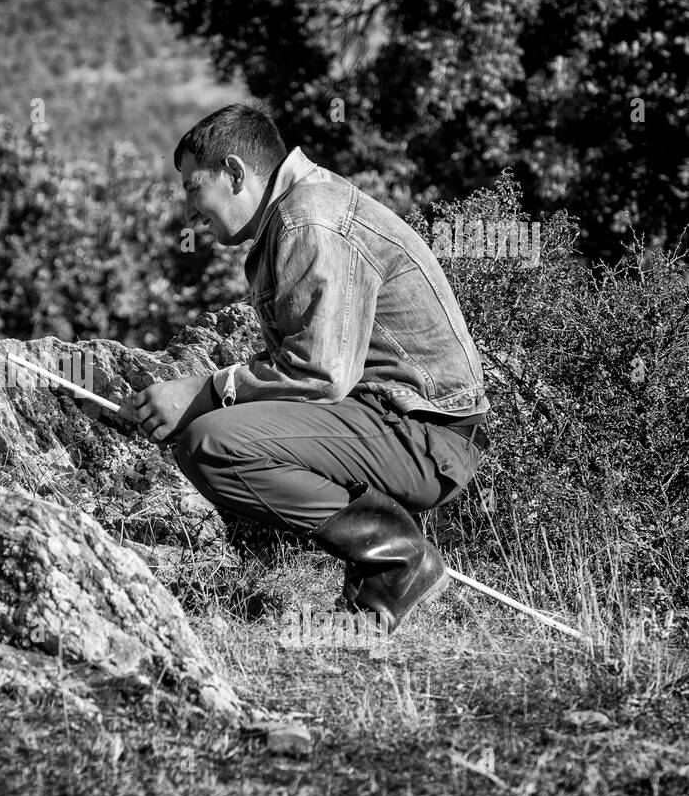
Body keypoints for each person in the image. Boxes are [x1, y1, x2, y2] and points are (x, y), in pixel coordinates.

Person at [132, 102, 490, 632]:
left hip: (423, 439)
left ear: (234, 172)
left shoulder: (309, 217)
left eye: (192, 187)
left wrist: (206, 391)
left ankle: (397, 559)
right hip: (394, 425)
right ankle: (375, 597)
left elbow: (320, 374)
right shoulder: (297, 212)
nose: (188, 212)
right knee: (217, 433)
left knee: (212, 441)